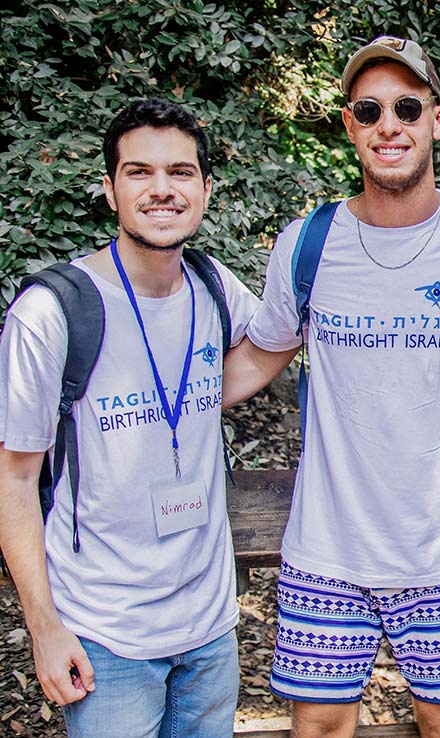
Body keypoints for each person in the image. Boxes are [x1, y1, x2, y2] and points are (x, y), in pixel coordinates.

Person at [220, 36, 440, 738]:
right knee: (320, 727)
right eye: (370, 109)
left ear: (438, 120)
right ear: (350, 125)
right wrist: (158, 405)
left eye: (407, 106)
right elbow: (261, 355)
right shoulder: (308, 243)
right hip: (328, 546)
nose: (389, 124)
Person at [0, 98, 258, 737]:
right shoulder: (51, 313)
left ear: (204, 188)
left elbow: (273, 347)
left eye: (181, 172)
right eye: (139, 172)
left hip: (209, 628)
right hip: (104, 632)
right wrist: (45, 628)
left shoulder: (213, 284)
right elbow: (13, 481)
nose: (162, 190)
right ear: (110, 188)